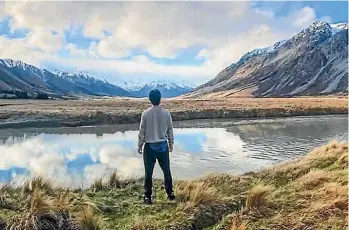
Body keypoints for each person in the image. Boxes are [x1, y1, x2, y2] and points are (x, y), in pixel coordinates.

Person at [138, 89, 175, 205]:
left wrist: (139, 145)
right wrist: (171, 144)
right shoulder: (166, 113)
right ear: (160, 99)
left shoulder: (145, 114)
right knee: (167, 172)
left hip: (149, 148)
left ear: (150, 99)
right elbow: (170, 131)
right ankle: (170, 194)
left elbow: (141, 132)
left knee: (148, 173)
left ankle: (148, 197)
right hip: (163, 147)